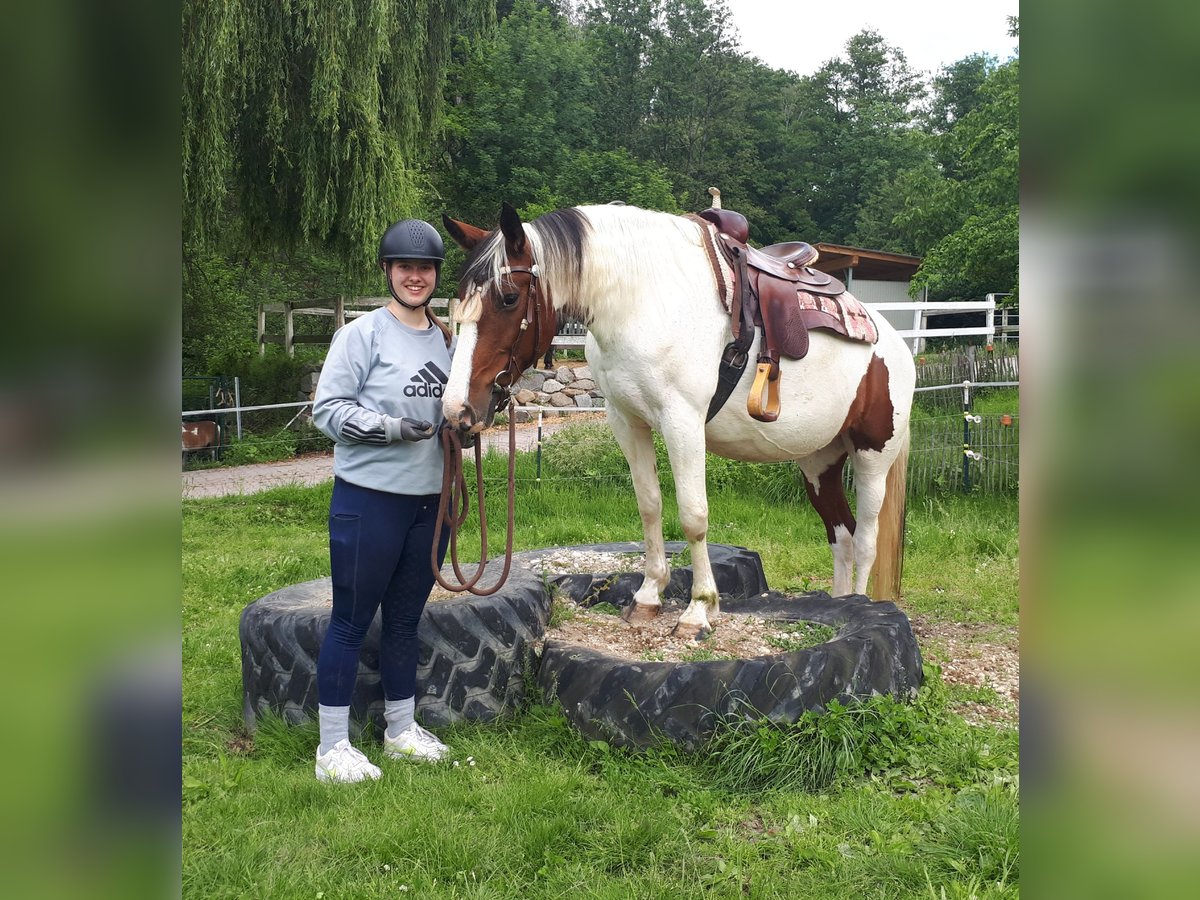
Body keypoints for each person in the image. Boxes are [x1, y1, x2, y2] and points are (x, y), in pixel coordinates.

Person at [310, 218, 456, 783]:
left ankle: (400, 731)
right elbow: (329, 411)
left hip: (430, 503)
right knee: (350, 620)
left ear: (435, 275)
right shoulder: (361, 335)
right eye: (405, 268)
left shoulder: (447, 340)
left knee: (403, 619)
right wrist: (395, 428)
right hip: (370, 498)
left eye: (424, 269)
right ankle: (330, 750)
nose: (415, 277)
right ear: (388, 272)